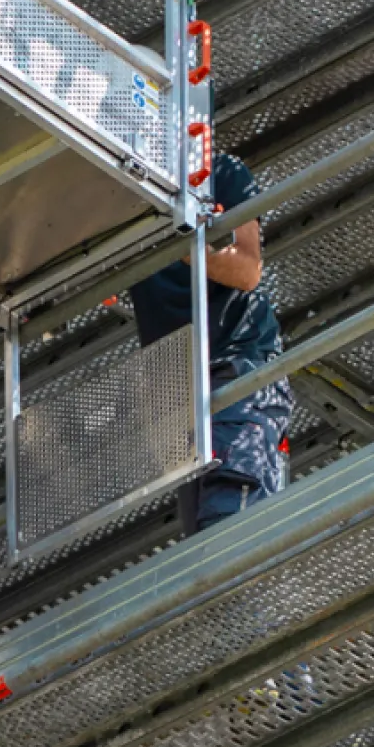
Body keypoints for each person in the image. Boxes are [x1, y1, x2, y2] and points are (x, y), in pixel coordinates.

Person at [127, 151, 289, 533]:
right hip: (179, 396)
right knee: (202, 545)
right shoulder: (123, 194)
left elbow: (247, 269)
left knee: (231, 524)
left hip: (235, 367)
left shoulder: (216, 171)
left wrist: (179, 240)